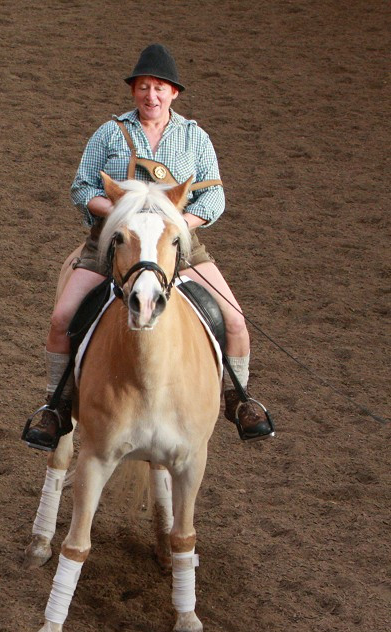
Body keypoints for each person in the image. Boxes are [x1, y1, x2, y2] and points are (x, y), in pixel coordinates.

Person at [24, 43, 273, 450]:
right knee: (62, 316)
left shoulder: (195, 138)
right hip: (115, 241)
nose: (150, 96)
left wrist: (174, 225)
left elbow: (213, 200)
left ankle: (240, 399)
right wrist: (120, 214)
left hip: (176, 245)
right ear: (133, 92)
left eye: (158, 88)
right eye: (143, 87)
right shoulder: (110, 132)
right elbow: (82, 187)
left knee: (235, 321)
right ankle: (56, 404)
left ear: (173, 93)